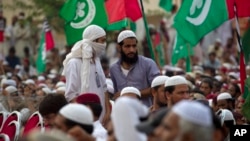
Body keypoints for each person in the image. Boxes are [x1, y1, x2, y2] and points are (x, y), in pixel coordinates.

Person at [62, 25, 110, 124]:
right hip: (85, 120)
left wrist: (108, 112)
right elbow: (71, 95)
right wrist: (86, 115)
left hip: (102, 118)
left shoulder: (97, 61)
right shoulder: (74, 63)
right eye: (102, 40)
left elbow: (104, 88)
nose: (104, 44)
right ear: (94, 41)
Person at [110, 30, 160, 107]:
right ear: (119, 47)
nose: (132, 50)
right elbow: (116, 94)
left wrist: (130, 94)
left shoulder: (148, 64)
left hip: (146, 112)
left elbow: (157, 88)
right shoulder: (114, 69)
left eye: (134, 46)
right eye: (127, 46)